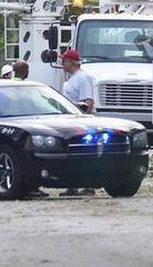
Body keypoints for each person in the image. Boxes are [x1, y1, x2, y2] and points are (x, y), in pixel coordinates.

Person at [59, 49, 96, 196]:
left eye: (63, 61)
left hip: (81, 121)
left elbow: (88, 101)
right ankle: (72, 185)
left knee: (85, 154)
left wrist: (84, 122)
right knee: (72, 155)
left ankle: (89, 186)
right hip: (71, 121)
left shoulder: (83, 77)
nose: (62, 64)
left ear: (70, 62)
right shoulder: (71, 80)